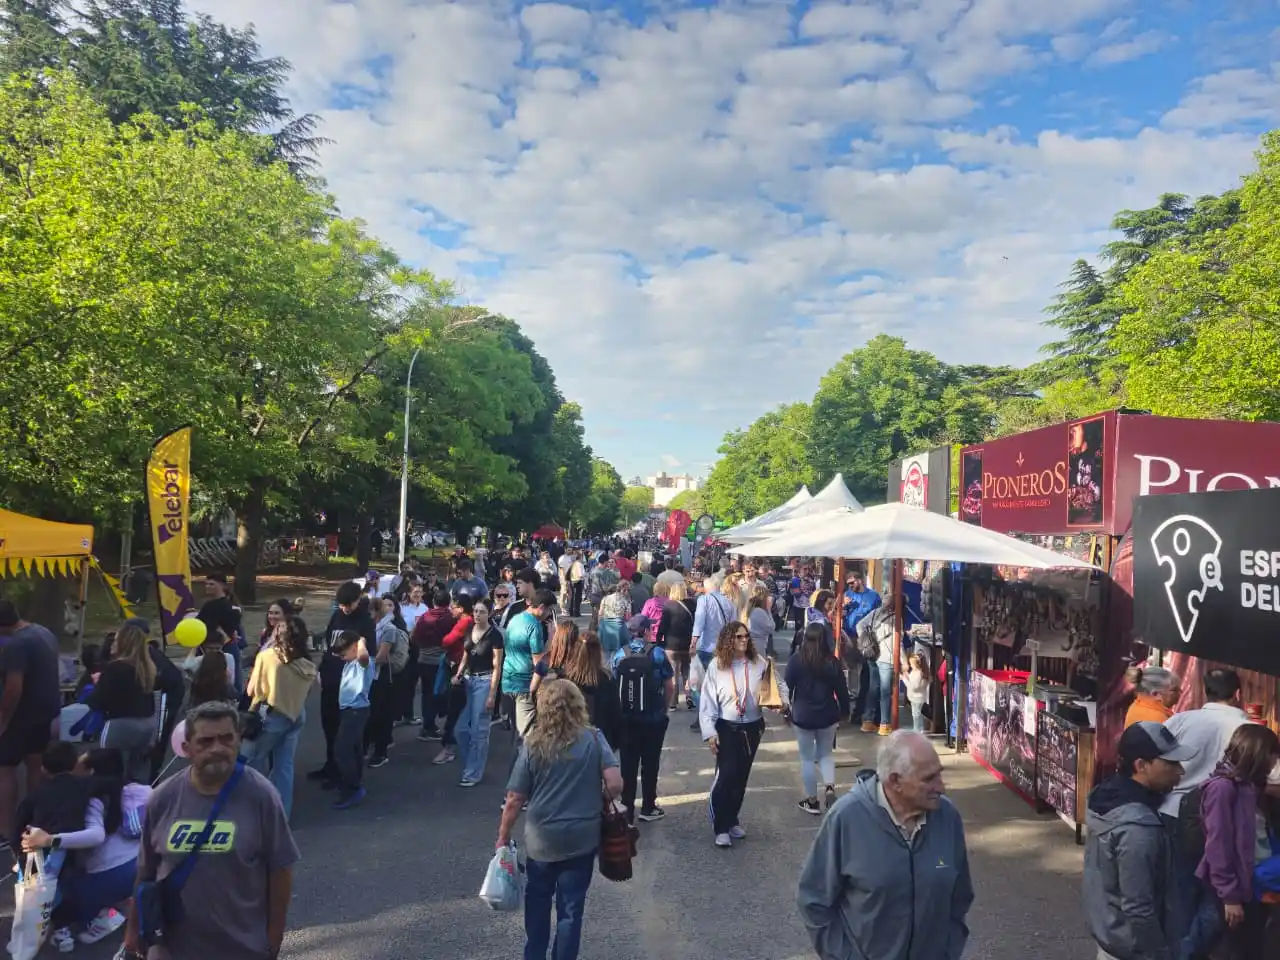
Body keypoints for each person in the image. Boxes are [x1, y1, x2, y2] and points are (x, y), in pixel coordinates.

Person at [124, 701, 300, 960]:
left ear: (239, 741)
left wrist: (274, 939)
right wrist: (132, 932)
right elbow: (146, 872)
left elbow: (280, 871)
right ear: (187, 748)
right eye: (205, 742)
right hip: (173, 949)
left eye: (226, 739)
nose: (217, 748)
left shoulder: (262, 796)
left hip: (243, 949)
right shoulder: (163, 798)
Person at [797, 731, 974, 960]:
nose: (941, 787)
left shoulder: (947, 816)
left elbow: (960, 896)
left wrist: (949, 952)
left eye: (939, 774)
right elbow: (814, 899)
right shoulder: (847, 818)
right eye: (929, 779)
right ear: (895, 781)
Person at [497, 680, 622, 960]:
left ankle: (534, 954)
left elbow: (515, 798)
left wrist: (503, 836)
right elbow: (615, 784)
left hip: (542, 840)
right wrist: (598, 796)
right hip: (582, 837)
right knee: (570, 910)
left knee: (538, 904)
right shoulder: (593, 738)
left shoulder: (532, 744)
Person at [1083, 721, 1194, 960]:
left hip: (1113, 936)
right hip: (1134, 949)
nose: (1180, 771)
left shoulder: (1108, 796)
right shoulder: (1137, 829)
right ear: (1141, 766)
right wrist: (1159, 954)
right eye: (1171, 764)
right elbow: (1138, 907)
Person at [21, 748, 147, 951]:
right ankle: (124, 902)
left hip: (107, 873)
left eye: (78, 764)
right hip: (140, 865)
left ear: (90, 771)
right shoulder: (142, 790)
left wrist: (49, 840)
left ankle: (107, 914)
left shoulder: (91, 800)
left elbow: (96, 836)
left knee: (56, 895)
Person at [1197, 723, 1279, 958]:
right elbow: (1218, 847)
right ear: (1261, 754)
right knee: (1239, 949)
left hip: (1253, 880)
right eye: (1274, 755)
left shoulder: (1249, 785)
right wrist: (1230, 897)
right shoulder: (1223, 789)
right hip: (1237, 887)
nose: (1275, 762)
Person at [699, 621, 771, 848]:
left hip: (752, 726)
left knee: (741, 776)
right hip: (727, 727)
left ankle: (732, 819)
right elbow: (707, 701)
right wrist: (710, 732)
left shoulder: (759, 663)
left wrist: (783, 703)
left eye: (746, 636)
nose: (744, 640)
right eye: (739, 637)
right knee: (727, 775)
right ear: (729, 639)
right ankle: (720, 826)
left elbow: (777, 686)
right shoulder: (717, 666)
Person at [0, 599, 63, 843]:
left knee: (5, 769)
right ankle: (36, 821)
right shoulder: (43, 632)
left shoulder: (17, 645)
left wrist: (3, 719)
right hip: (45, 713)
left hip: (21, 716)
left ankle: (5, 829)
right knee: (36, 767)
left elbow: (13, 688)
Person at [245, 615, 316, 820]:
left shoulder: (267, 656)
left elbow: (252, 690)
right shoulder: (306, 663)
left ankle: (256, 813)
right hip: (296, 713)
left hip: (271, 714)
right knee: (284, 766)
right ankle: (282, 815)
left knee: (254, 762)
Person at [312, 582, 376, 785]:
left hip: (348, 684)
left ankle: (344, 774)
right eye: (341, 604)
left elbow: (367, 654)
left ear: (357, 600)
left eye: (348, 604)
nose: (345, 608)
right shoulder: (337, 616)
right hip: (330, 678)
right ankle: (330, 765)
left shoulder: (365, 621)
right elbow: (329, 645)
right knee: (329, 725)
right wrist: (321, 669)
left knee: (345, 734)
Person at [612, 619, 675, 823]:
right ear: (647, 631)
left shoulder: (619, 654)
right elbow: (670, 686)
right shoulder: (658, 654)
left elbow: (613, 687)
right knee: (651, 763)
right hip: (652, 720)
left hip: (626, 720)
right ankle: (648, 807)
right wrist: (664, 709)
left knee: (628, 766)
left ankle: (627, 809)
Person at [785, 623, 850, 815]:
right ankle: (829, 786)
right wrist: (845, 712)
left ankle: (812, 801)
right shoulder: (833, 662)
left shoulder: (796, 660)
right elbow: (842, 690)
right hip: (828, 714)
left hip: (803, 715)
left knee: (806, 759)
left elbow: (786, 688)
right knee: (826, 754)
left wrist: (786, 711)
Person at [91, 622, 159, 783]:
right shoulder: (147, 667)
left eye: (116, 640)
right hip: (147, 724)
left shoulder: (115, 668)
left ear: (124, 643)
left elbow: (99, 701)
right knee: (137, 772)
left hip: (121, 724)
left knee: (108, 769)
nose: (112, 644)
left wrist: (98, 684)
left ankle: (112, 798)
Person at [452, 598, 504, 787]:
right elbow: (466, 655)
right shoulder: (469, 629)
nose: (477, 615)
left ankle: (473, 773)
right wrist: (458, 674)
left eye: (482, 612)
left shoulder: (495, 636)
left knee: (478, 731)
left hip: (485, 682)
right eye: (475, 611)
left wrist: (492, 694)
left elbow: (497, 667)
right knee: (460, 730)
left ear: (489, 614)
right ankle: (474, 763)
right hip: (469, 681)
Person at [502, 589, 557, 740]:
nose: (549, 615)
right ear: (542, 607)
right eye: (550, 610)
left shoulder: (515, 619)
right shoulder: (534, 626)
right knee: (527, 736)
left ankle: (516, 754)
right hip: (524, 684)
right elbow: (538, 662)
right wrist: (551, 637)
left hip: (507, 681)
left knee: (516, 731)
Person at [331, 630, 375, 810]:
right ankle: (352, 784)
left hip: (356, 710)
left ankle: (353, 787)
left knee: (342, 750)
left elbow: (363, 657)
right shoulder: (350, 662)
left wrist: (361, 641)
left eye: (344, 653)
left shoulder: (363, 662)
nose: (342, 657)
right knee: (353, 749)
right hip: (349, 710)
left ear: (356, 648)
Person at [412, 586, 456, 743]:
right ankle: (431, 726)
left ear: (433, 602)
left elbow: (415, 637)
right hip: (441, 662)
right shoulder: (449, 618)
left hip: (423, 660)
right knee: (441, 693)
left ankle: (428, 724)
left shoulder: (424, 617)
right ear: (448, 602)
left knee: (427, 694)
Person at [657, 580, 694, 706]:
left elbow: (663, 625)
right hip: (687, 643)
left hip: (671, 644)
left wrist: (659, 640)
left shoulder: (668, 605)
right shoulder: (692, 604)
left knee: (674, 673)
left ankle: (673, 701)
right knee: (686, 670)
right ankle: (689, 695)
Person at [744, 584, 776, 659]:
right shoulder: (759, 611)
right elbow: (771, 628)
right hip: (758, 644)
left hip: (755, 642)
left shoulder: (753, 610)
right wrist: (768, 610)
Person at [905, 653, 930, 734]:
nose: (910, 665)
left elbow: (914, 686)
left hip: (916, 696)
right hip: (918, 696)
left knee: (916, 713)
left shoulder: (918, 673)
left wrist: (905, 679)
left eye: (911, 663)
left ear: (916, 664)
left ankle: (916, 729)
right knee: (918, 712)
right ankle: (920, 728)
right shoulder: (919, 672)